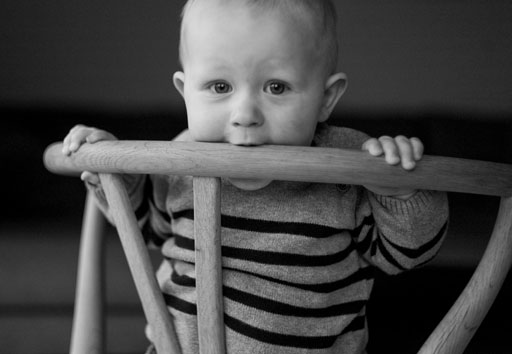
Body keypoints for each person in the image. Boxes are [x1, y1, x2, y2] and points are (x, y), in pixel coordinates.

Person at [62, 0, 449, 353]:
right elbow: (149, 226)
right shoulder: (182, 154)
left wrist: (400, 192)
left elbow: (405, 255)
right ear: (186, 93)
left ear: (325, 99)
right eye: (220, 86)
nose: (245, 113)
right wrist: (111, 171)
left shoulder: (346, 163)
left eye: (276, 87)